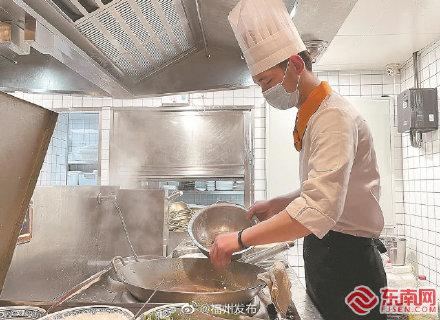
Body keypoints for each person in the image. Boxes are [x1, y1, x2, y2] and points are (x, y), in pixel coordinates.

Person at [209, 0, 387, 319]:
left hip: (350, 263)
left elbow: (319, 209)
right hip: (329, 255)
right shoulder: (315, 114)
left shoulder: (333, 117)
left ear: (294, 64)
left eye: (266, 81)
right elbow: (328, 188)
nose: (265, 92)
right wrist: (279, 202)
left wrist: (238, 239)